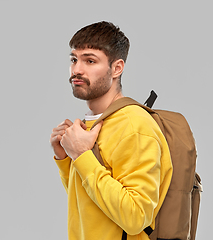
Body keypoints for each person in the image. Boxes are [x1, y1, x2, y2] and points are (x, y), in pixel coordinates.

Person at [49, 21, 173, 240]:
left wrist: (81, 154)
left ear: (117, 68)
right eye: (74, 59)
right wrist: (66, 160)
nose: (77, 69)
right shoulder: (92, 125)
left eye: (90, 60)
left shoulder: (134, 126)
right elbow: (93, 204)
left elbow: (135, 217)